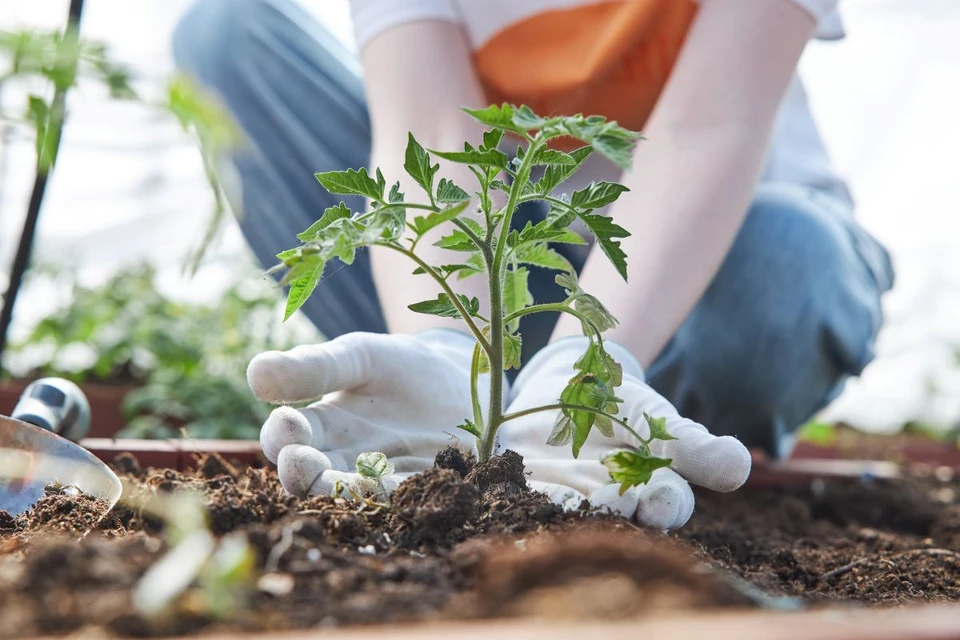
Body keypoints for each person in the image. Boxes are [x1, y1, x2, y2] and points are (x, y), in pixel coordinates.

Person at [172, 0, 894, 530]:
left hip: (707, 257)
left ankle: (611, 417)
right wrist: (454, 342)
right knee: (227, 35)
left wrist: (593, 358)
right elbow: (430, 131)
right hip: (498, 271)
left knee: (790, 263)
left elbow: (707, 127)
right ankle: (455, 399)